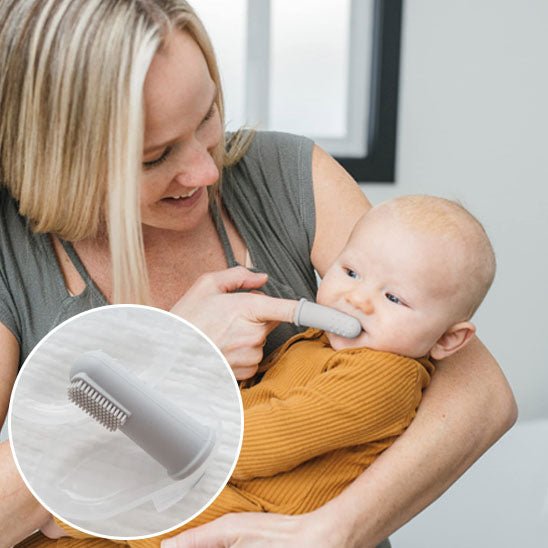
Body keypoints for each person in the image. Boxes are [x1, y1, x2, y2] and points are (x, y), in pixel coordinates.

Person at [0, 1, 516, 547]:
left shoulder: (287, 175)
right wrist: (175, 354)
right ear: (57, 156)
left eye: (207, 118)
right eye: (155, 156)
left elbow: (480, 391)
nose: (205, 169)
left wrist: (335, 531)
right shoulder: (12, 248)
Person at [44, 195, 494, 548]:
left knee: (128, 505)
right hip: (237, 490)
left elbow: (267, 441)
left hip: (261, 516)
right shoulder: (315, 343)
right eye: (351, 271)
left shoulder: (384, 377)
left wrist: (164, 438)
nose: (356, 300)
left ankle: (62, 513)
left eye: (394, 298)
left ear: (447, 340)